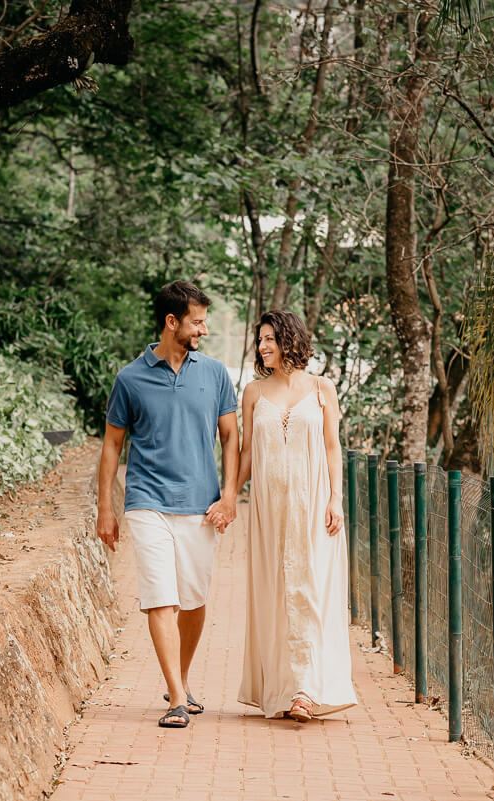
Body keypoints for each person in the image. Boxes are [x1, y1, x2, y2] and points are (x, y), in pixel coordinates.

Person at [96, 281, 239, 729]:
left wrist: (230, 494)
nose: (204, 330)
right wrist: (106, 508)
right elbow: (112, 447)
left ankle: (182, 678)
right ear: (172, 321)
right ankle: (176, 697)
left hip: (200, 506)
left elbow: (231, 437)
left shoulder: (214, 374)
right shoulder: (130, 378)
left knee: (193, 600)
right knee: (161, 595)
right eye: (197, 322)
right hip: (147, 502)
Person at [235, 309, 357, 721]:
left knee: (308, 590)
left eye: (270, 338)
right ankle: (284, 688)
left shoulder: (322, 388)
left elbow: (332, 448)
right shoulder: (253, 392)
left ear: (289, 340)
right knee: (275, 592)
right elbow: (246, 453)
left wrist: (336, 499)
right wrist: (228, 497)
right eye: (260, 340)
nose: (263, 346)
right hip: (269, 509)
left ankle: (306, 689)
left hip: (314, 505)